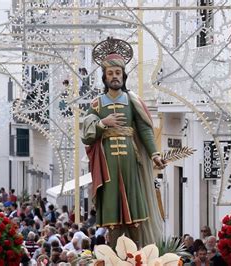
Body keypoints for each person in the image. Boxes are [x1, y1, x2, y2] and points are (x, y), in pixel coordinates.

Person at [82, 38, 165, 248]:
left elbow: (145, 128)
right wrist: (103, 123)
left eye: (117, 73)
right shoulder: (97, 103)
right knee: (112, 214)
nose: (114, 77)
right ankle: (114, 253)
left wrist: (154, 154)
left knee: (135, 211)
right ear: (105, 77)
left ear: (123, 75)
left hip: (130, 161)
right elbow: (86, 133)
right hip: (108, 163)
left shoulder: (132, 100)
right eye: (110, 73)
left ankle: (138, 252)